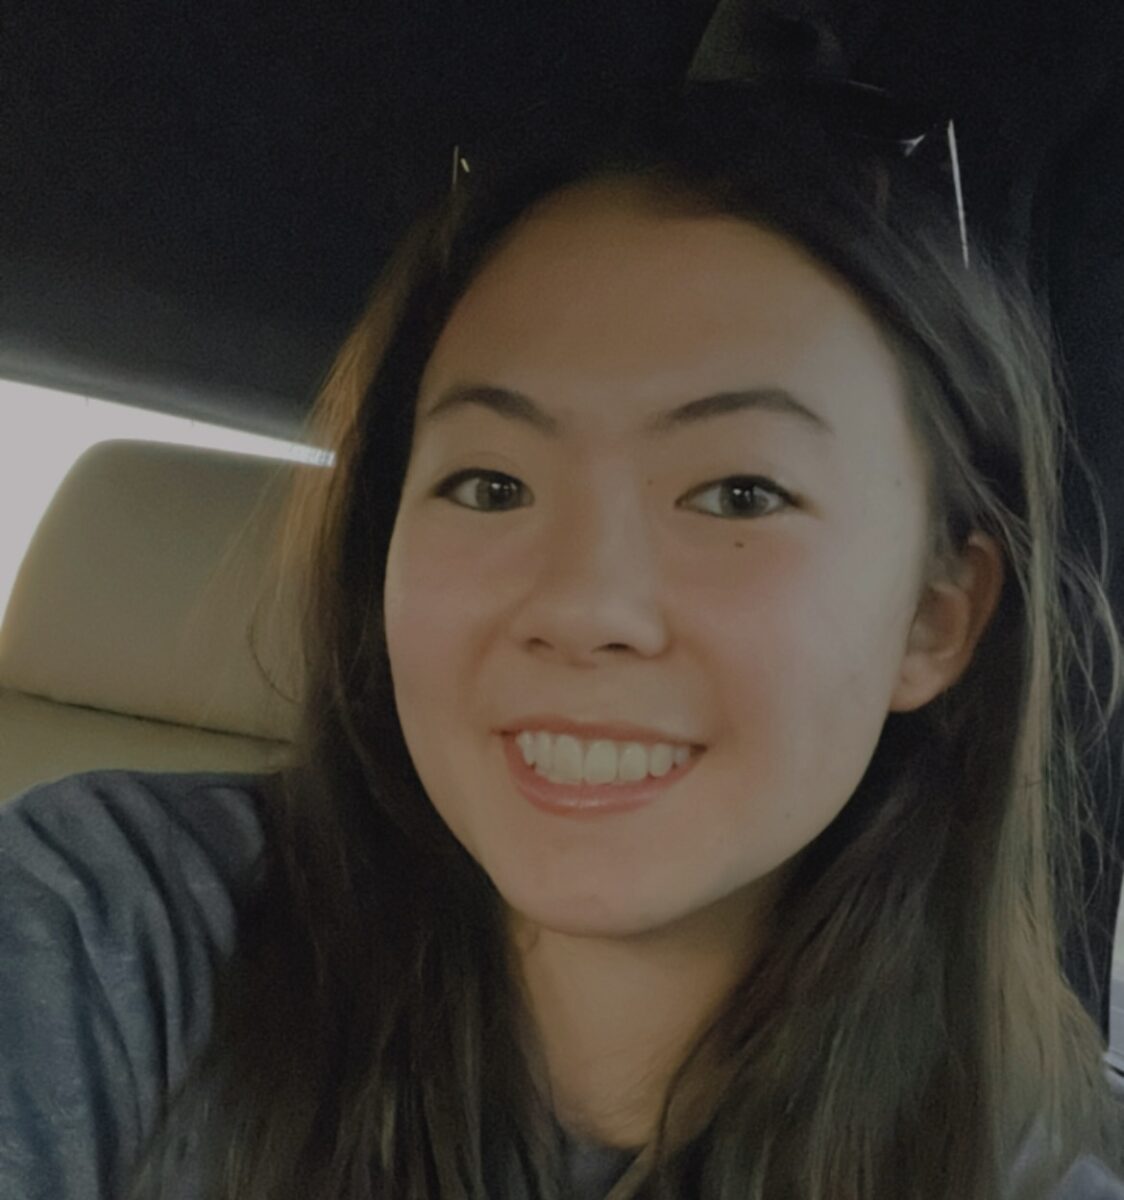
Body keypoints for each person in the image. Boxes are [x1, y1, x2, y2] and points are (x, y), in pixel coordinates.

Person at [2, 91, 1124, 1200]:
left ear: (934, 620)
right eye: (489, 485)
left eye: (738, 494)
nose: (585, 606)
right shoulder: (108, 936)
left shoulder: (1003, 1170)